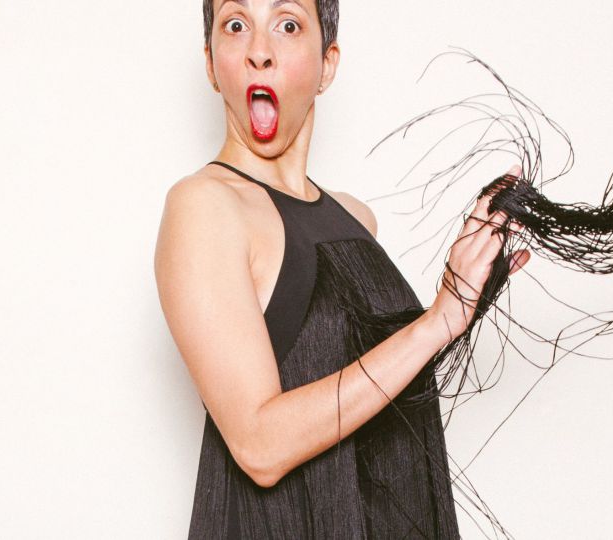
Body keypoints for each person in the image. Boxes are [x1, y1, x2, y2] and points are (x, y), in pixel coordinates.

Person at [154, 0, 531, 536]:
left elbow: (369, 393)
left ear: (327, 63)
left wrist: (465, 291)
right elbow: (258, 445)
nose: (259, 51)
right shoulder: (204, 207)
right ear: (213, 63)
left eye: (288, 25)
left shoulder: (357, 219)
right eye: (235, 25)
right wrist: (437, 321)